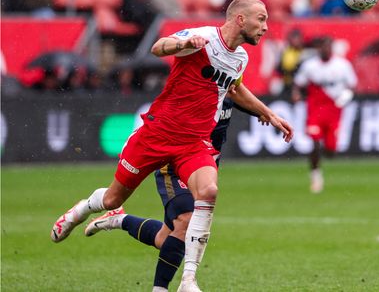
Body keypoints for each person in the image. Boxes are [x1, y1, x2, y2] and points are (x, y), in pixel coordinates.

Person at [50, 0, 294, 292]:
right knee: (113, 199)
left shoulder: (240, 57)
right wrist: (180, 45)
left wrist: (269, 114)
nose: (266, 27)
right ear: (240, 19)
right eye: (261, 19)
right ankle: (84, 209)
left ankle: (188, 280)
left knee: (209, 192)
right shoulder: (203, 37)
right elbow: (158, 46)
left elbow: (234, 88)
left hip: (194, 143)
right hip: (156, 136)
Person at [83, 98, 263, 291]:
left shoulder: (228, 82)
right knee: (186, 221)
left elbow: (237, 90)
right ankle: (169, 286)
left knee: (165, 239)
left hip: (202, 165)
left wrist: (266, 113)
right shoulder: (195, 84)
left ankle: (118, 220)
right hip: (175, 161)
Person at [292, 36, 357, 193]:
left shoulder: (343, 65)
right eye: (323, 47)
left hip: (334, 110)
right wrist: (296, 94)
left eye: (328, 47)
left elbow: (353, 85)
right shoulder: (310, 66)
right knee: (314, 142)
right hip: (315, 109)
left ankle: (326, 154)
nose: (325, 50)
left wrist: (346, 96)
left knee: (331, 150)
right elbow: (298, 83)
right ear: (319, 49)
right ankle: (315, 175)